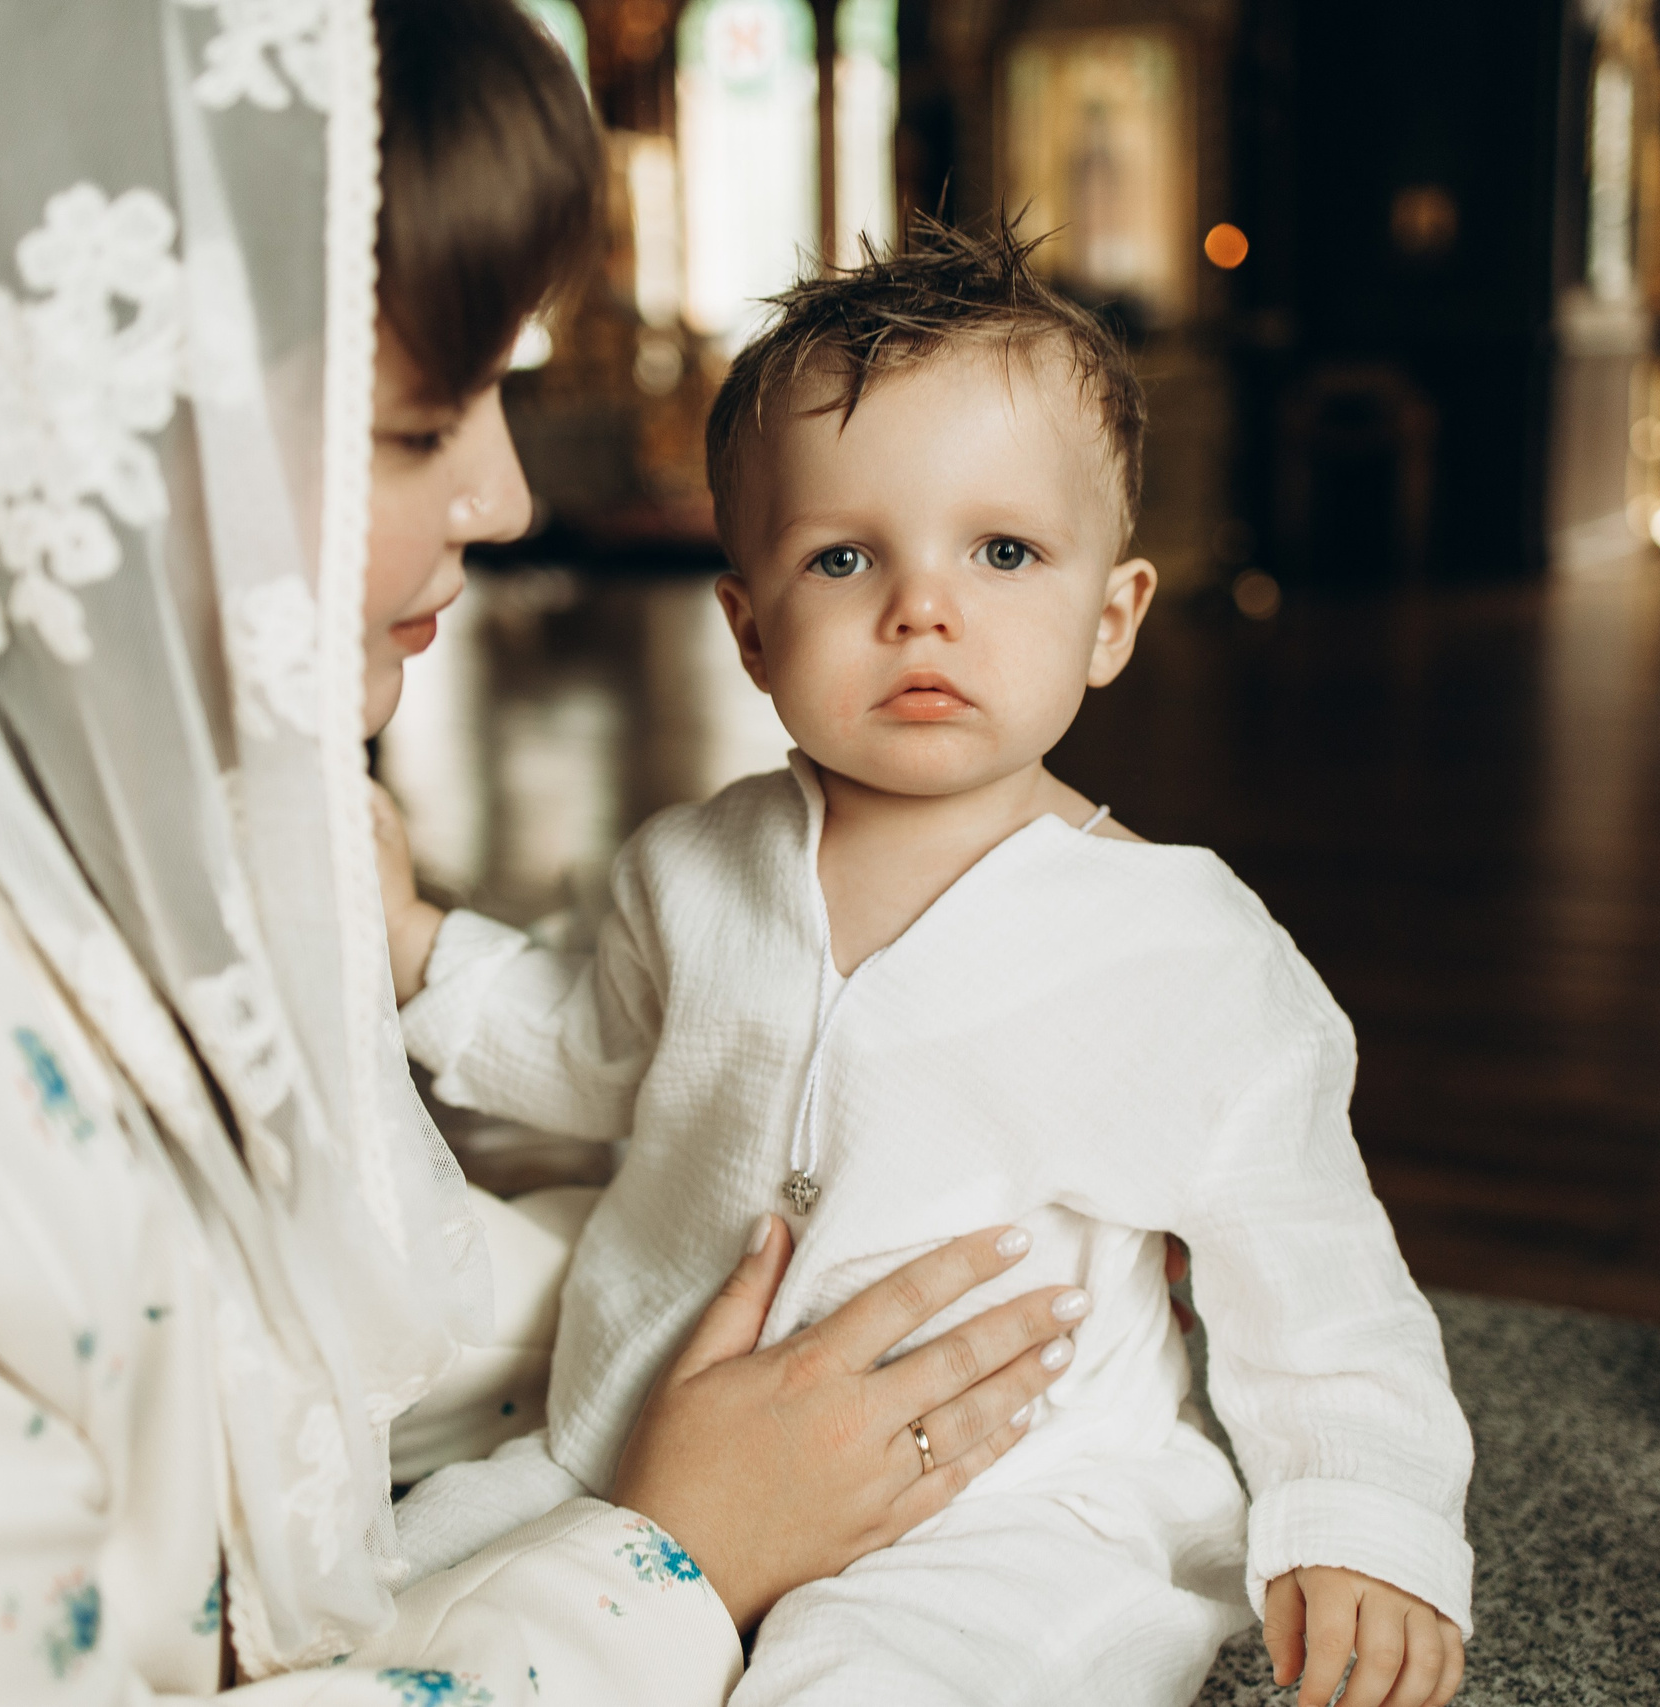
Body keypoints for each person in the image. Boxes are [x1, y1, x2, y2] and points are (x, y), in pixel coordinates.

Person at [0, 5, 1085, 1701]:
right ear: (90, 411)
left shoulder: (52, 742)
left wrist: (822, 1256)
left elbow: (293, 1286)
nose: (501, 500)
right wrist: (676, 1554)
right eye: (422, 426)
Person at [373, 224, 1475, 1707]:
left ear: (1112, 618)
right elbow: (589, 1046)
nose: (923, 606)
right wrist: (423, 952)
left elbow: (1320, 1283)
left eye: (1004, 551)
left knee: (859, 1683)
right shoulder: (690, 868)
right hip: (633, 1437)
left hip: (1008, 1513)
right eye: (845, 556)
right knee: (377, 1595)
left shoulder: (1187, 954)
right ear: (752, 631)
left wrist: (1368, 1522)